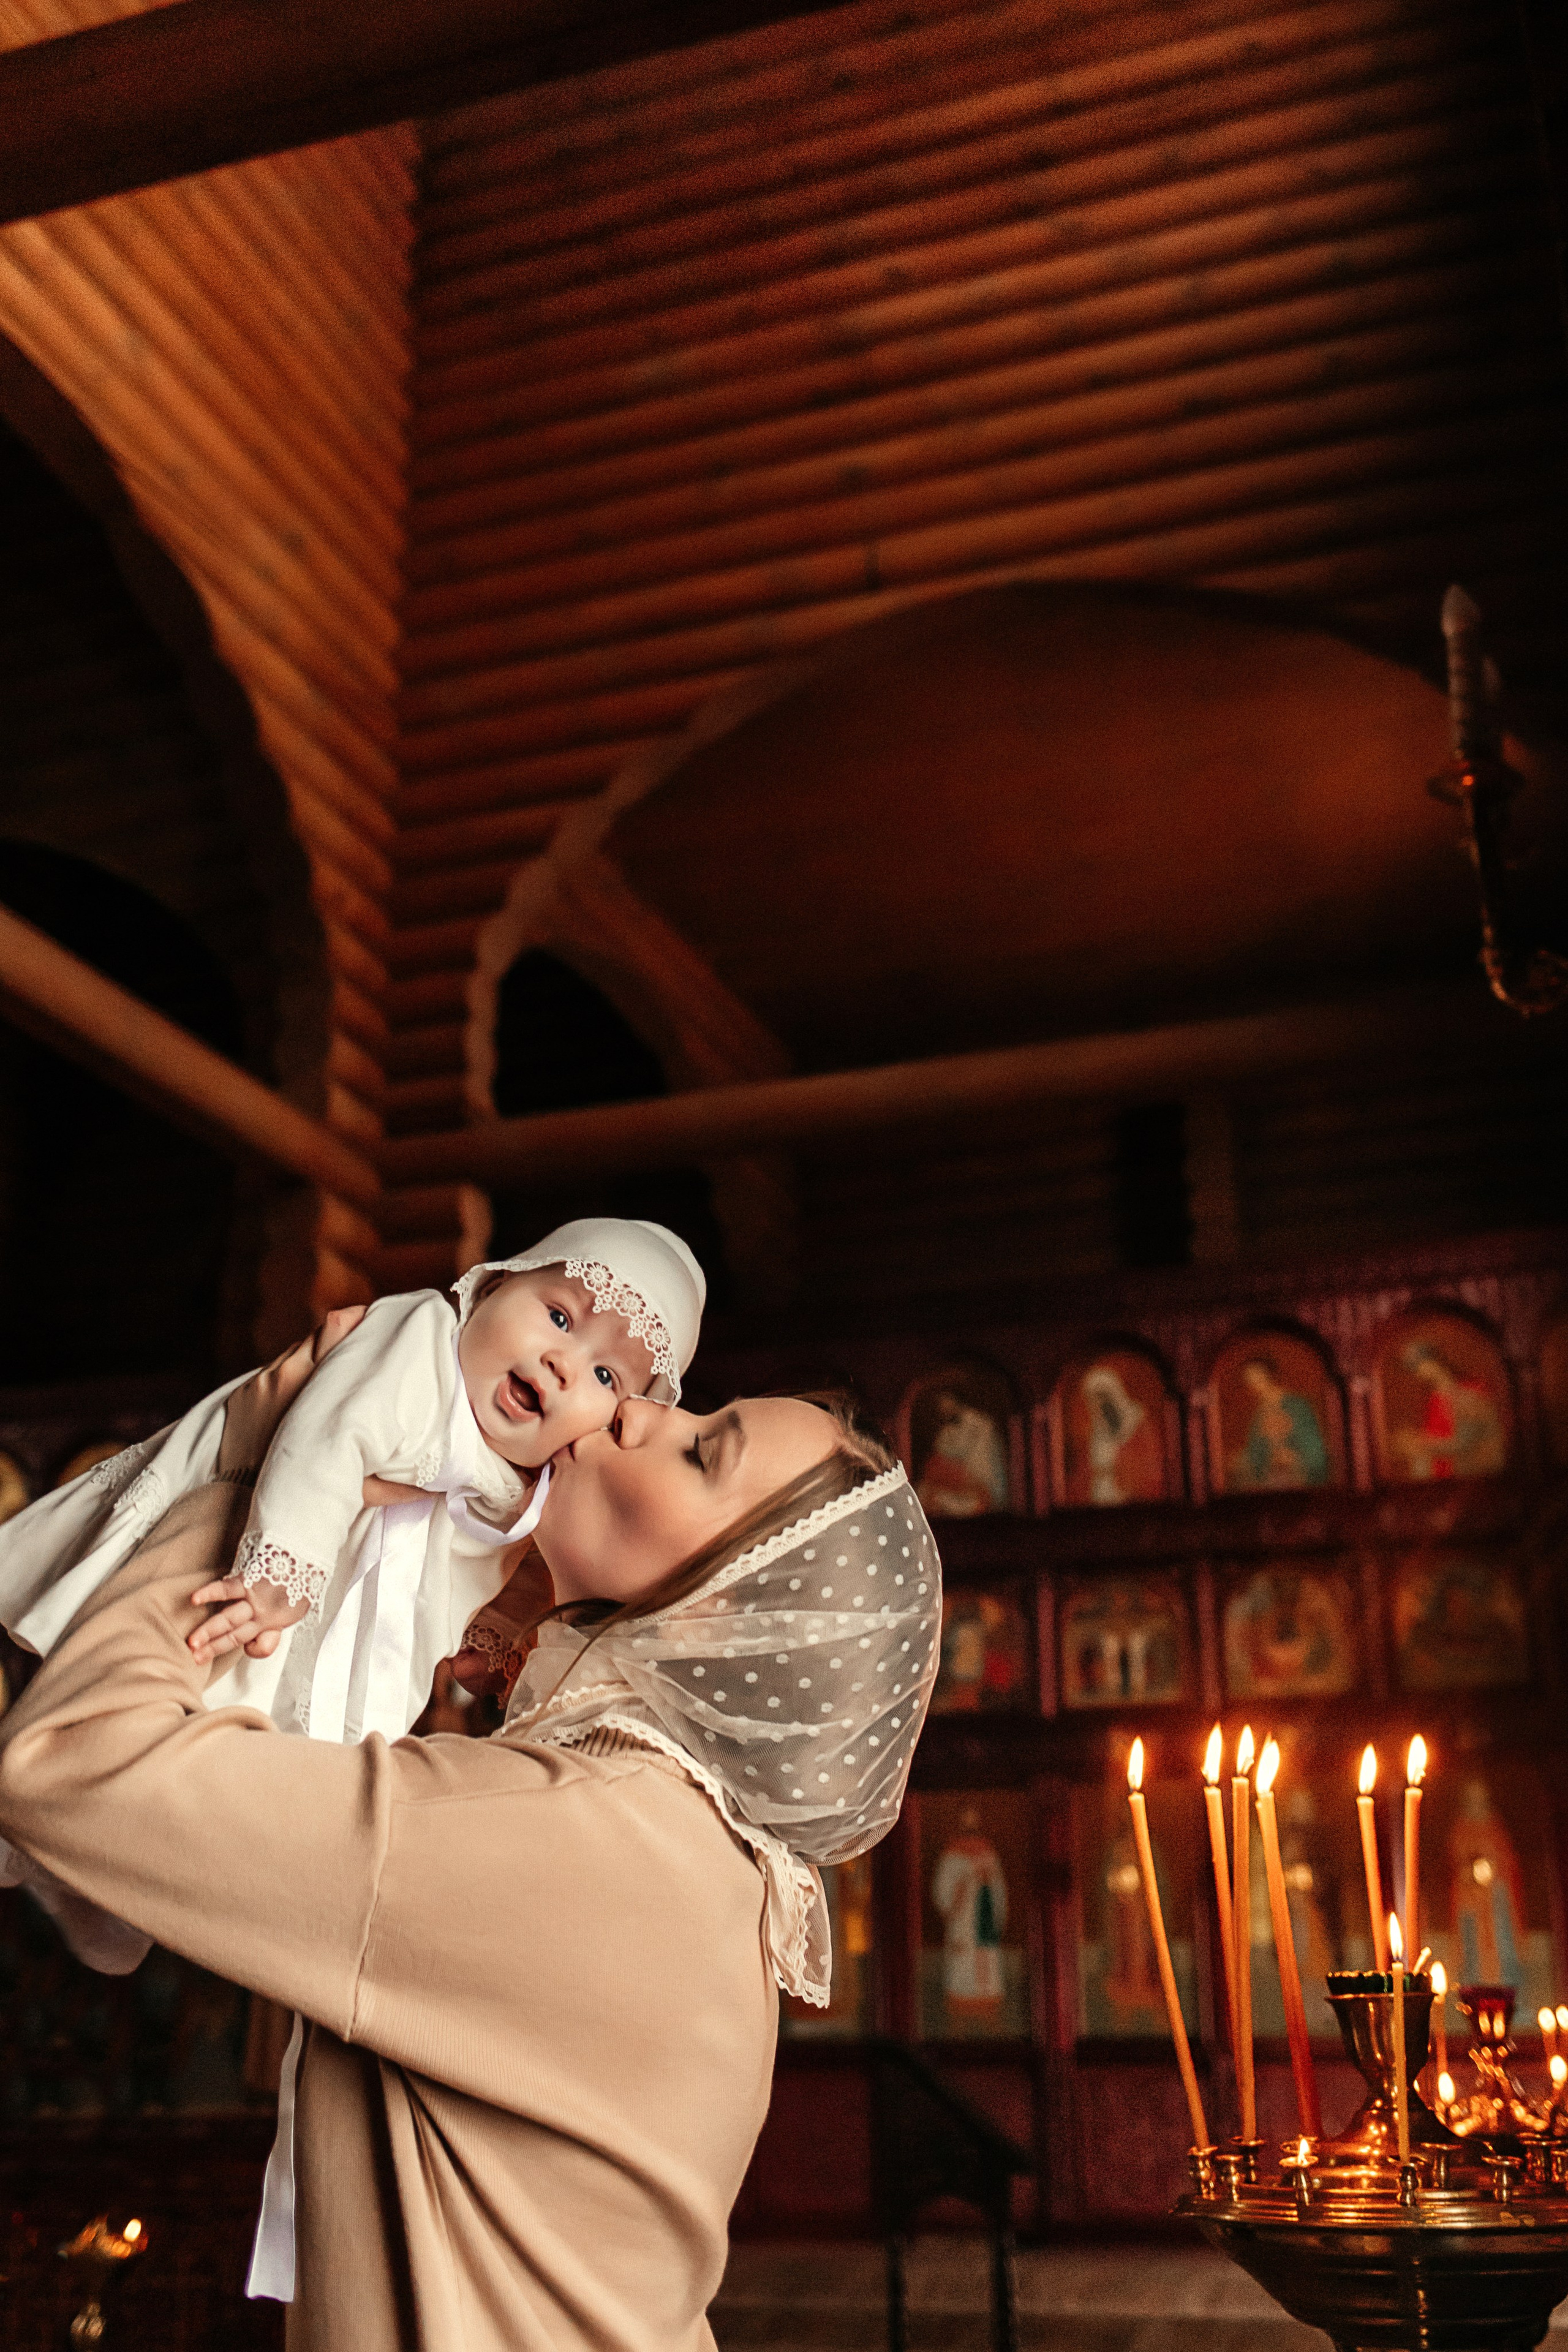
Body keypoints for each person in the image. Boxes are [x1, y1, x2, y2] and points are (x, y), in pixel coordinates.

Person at [0, 1321, 941, 2348]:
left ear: (727, 1620)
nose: (641, 1409)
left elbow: (73, 1764)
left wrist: (264, 1477)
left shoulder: (574, 1840)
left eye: (700, 1451)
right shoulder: (685, 1846)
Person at [0, 1216, 705, 1969]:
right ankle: (43, 1834)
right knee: (176, 1692)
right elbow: (328, 1433)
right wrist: (284, 1570)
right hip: (255, 1561)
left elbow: (492, 1578)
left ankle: (108, 1889)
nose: (564, 1365)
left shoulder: (523, 1486)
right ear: (489, 1288)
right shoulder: (418, 1341)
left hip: (349, 1648)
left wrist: (496, 1640)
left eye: (607, 1377)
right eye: (559, 1317)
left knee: (244, 1778)